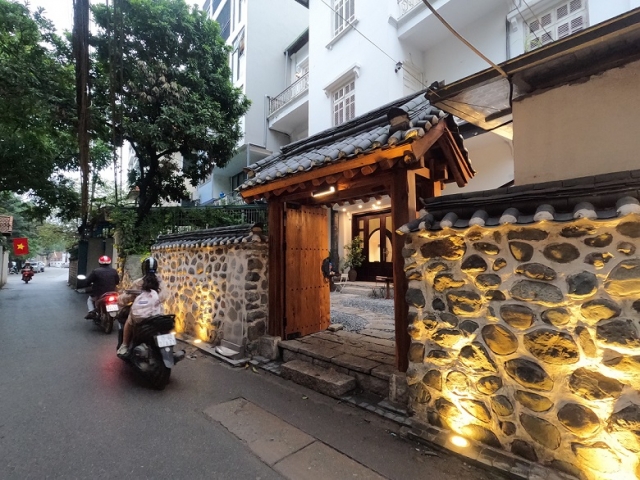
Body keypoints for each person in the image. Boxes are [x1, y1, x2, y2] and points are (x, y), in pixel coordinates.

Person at [117, 257, 167, 357]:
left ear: (143, 268)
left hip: (141, 313)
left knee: (129, 321)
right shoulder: (161, 282)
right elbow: (164, 297)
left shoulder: (139, 282)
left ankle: (125, 345)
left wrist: (120, 300)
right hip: (158, 313)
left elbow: (128, 297)